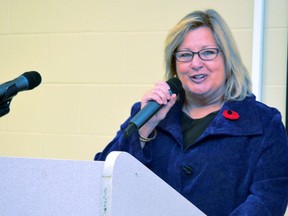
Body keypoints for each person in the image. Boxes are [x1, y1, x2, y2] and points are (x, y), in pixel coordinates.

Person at [95, 9, 288, 215]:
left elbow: (268, 200)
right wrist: (144, 130)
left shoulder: (263, 123)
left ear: (227, 59)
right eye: (185, 55)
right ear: (175, 65)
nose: (196, 64)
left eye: (207, 52)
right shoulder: (149, 115)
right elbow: (103, 179)